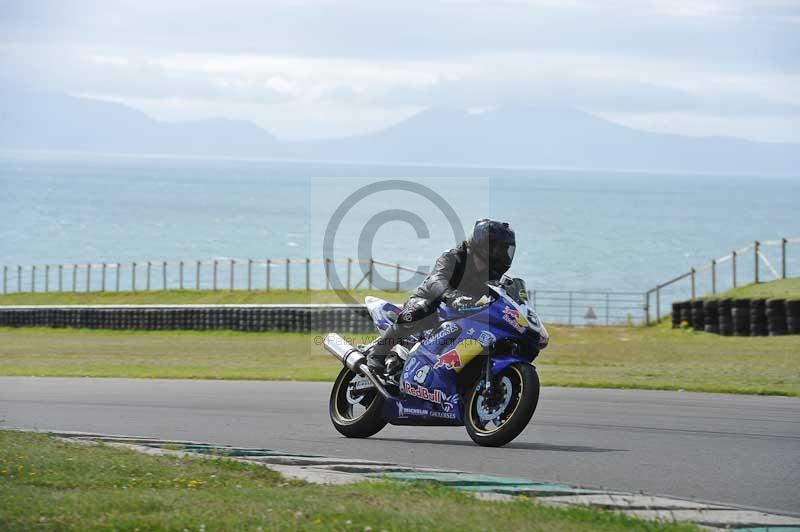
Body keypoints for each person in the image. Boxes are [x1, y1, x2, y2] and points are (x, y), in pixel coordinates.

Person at [366, 219, 516, 373]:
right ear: (484, 245)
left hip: (462, 315)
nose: (503, 254)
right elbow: (436, 279)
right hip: (433, 306)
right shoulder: (453, 257)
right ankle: (377, 353)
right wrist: (451, 295)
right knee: (420, 309)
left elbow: (501, 295)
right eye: (499, 248)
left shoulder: (491, 274)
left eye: (506, 249)